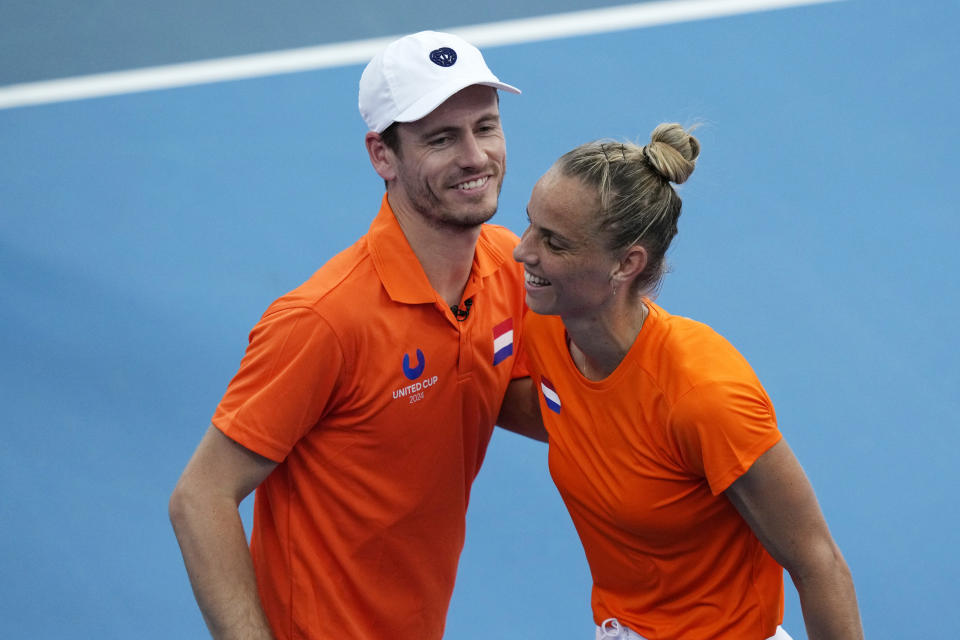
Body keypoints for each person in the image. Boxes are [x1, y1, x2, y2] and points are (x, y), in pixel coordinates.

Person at [169, 30, 543, 640]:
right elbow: (200, 498)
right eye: (442, 138)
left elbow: (511, 394)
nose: (475, 156)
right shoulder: (322, 321)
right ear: (383, 155)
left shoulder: (506, 267)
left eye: (486, 126)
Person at [513, 124, 863, 640]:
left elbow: (817, 561)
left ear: (625, 264)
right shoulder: (544, 324)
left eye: (554, 243)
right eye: (529, 225)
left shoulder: (704, 394)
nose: (522, 252)